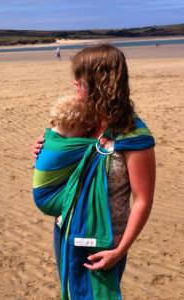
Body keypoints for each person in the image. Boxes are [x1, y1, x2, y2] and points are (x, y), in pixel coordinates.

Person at [32, 44, 156, 299]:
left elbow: (143, 200)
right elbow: (62, 153)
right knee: (72, 291)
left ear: (100, 82)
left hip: (105, 239)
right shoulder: (80, 122)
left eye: (80, 80)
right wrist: (45, 148)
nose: (75, 85)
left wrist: (120, 250)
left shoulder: (133, 135)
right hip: (68, 229)